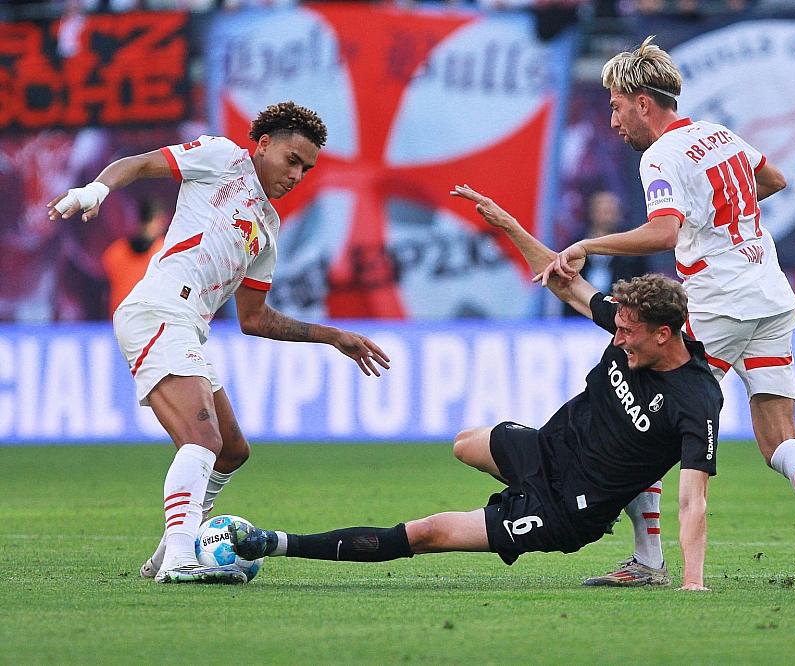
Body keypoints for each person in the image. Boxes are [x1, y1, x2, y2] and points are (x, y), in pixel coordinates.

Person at [227, 184, 723, 591]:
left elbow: (693, 499)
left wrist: (694, 582)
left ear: (665, 334)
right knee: (466, 444)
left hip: (566, 507)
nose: (616, 338)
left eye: (627, 333)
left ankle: (275, 542)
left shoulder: (696, 398)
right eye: (616, 326)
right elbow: (563, 280)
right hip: (548, 451)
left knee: (428, 532)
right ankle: (591, 507)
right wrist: (506, 224)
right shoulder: (632, 327)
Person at [539, 37, 795, 588]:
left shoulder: (660, 155)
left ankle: (648, 561)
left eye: (617, 105)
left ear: (644, 102)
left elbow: (664, 230)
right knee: (777, 437)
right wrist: (723, 214)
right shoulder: (719, 135)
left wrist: (589, 246)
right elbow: (774, 181)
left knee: (638, 417)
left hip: (717, 304)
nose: (613, 119)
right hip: (771, 296)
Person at [47, 101, 391, 584]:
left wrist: (333, 336)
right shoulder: (222, 157)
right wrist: (95, 189)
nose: (297, 175)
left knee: (230, 450)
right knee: (202, 438)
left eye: (307, 169)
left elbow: (254, 319)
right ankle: (181, 559)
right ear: (264, 144)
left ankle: (167, 551)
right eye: (292, 160)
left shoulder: (267, 230)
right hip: (158, 309)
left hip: (189, 326)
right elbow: (142, 162)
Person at [562, 190, 649, 317]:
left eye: (611, 210)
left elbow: (643, 285)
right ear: (592, 212)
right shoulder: (575, 246)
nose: (607, 215)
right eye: (603, 210)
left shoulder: (632, 249)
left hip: (620, 316)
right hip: (577, 317)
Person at [100, 198, 167, 317]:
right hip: (153, 323)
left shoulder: (114, 252)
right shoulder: (166, 252)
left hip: (122, 322)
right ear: (160, 221)